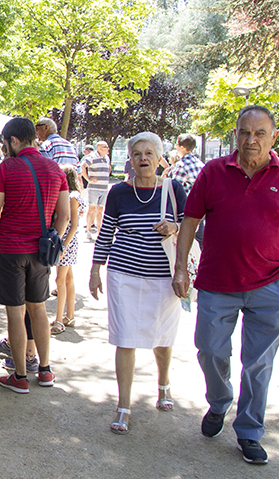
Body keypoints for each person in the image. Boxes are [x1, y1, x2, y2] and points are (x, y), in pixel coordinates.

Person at [173, 105, 279, 465]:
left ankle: (249, 431)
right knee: (210, 349)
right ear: (236, 134)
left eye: (260, 133)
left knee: (258, 363)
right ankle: (219, 402)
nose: (251, 140)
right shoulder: (214, 171)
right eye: (245, 133)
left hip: (271, 287)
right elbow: (190, 220)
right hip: (218, 283)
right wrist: (181, 269)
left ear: (274, 136)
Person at [89, 132, 187, 435]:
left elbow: (194, 227)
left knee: (162, 337)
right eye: (137, 154)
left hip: (162, 275)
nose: (143, 159)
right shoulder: (119, 192)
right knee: (125, 337)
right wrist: (95, 268)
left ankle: (163, 384)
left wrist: (175, 226)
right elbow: (106, 231)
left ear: (160, 159)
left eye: (149, 154)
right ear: (129, 160)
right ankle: (123, 405)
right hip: (124, 274)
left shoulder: (174, 190)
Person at [0, 117, 70, 394]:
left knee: (15, 314)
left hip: (10, 249)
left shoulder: (6, 168)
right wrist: (51, 238)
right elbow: (65, 215)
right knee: (39, 309)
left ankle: (19, 375)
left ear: (13, 141)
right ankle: (45, 370)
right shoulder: (56, 169)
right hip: (40, 252)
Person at [52, 165, 84, 334]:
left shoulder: (72, 197)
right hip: (68, 240)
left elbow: (73, 225)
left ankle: (58, 320)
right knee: (68, 278)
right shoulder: (75, 195)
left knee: (60, 280)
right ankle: (69, 315)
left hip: (67, 241)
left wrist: (63, 245)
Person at [81, 141, 111, 242]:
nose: (108, 149)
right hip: (94, 188)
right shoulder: (92, 157)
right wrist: (88, 179)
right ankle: (88, 230)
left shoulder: (107, 158)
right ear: (99, 148)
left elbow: (108, 168)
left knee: (100, 210)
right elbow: (82, 166)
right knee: (91, 209)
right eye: (105, 147)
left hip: (104, 188)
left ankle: (99, 232)